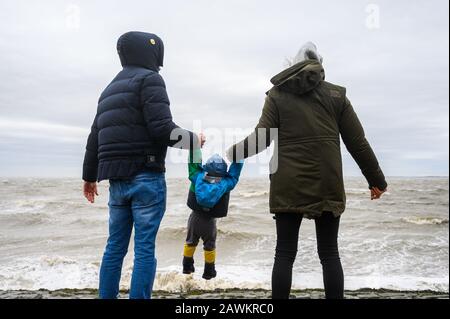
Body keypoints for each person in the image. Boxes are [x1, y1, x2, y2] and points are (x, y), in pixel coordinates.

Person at [227, 42, 387, 299]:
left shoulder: (277, 96)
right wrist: (376, 180)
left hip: (287, 184)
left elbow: (261, 139)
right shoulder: (336, 96)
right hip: (327, 182)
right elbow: (357, 142)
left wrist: (232, 153)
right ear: (319, 65)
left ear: (293, 64)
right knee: (329, 253)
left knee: (285, 253)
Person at [82, 31, 204, 299]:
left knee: (114, 247)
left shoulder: (108, 90)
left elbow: (95, 135)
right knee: (144, 249)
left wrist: (89, 177)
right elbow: (161, 128)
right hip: (145, 175)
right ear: (150, 53)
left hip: (116, 181)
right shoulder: (151, 79)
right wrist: (194, 140)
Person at [182, 149, 244, 280]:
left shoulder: (196, 177)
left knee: (190, 242)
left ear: (206, 168)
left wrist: (195, 148)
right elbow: (234, 175)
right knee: (209, 245)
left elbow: (193, 164)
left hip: (194, 217)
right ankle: (209, 272)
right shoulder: (226, 183)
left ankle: (187, 268)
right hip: (210, 222)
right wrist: (239, 157)